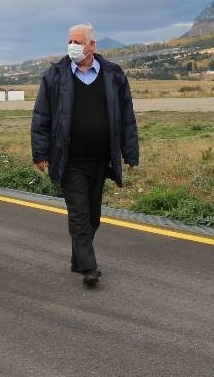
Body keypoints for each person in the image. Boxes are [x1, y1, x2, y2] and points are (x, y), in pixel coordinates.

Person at [31, 23, 139, 286]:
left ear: (92, 45)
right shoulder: (55, 75)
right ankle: (89, 267)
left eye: (78, 41)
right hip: (69, 159)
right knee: (79, 213)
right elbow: (41, 116)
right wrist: (40, 152)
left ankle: (78, 258)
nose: (73, 46)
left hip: (101, 159)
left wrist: (130, 152)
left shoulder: (113, 74)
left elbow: (126, 117)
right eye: (70, 41)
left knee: (92, 215)